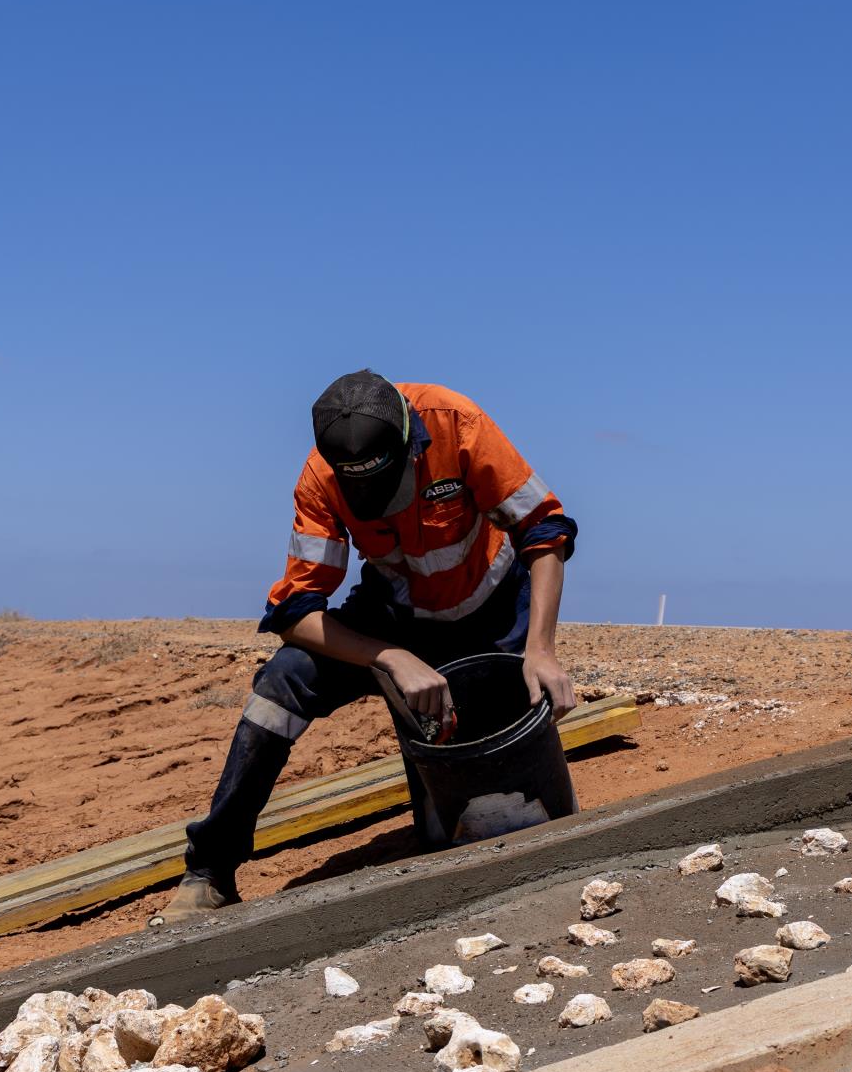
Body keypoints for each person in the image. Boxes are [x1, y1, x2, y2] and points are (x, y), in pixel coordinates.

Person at [162, 370, 578, 922]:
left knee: (500, 822)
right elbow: (293, 613)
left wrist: (541, 648)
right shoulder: (320, 478)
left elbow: (543, 529)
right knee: (282, 683)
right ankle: (210, 869)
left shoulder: (456, 423)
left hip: (494, 614)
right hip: (396, 620)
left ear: (411, 443)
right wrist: (388, 656)